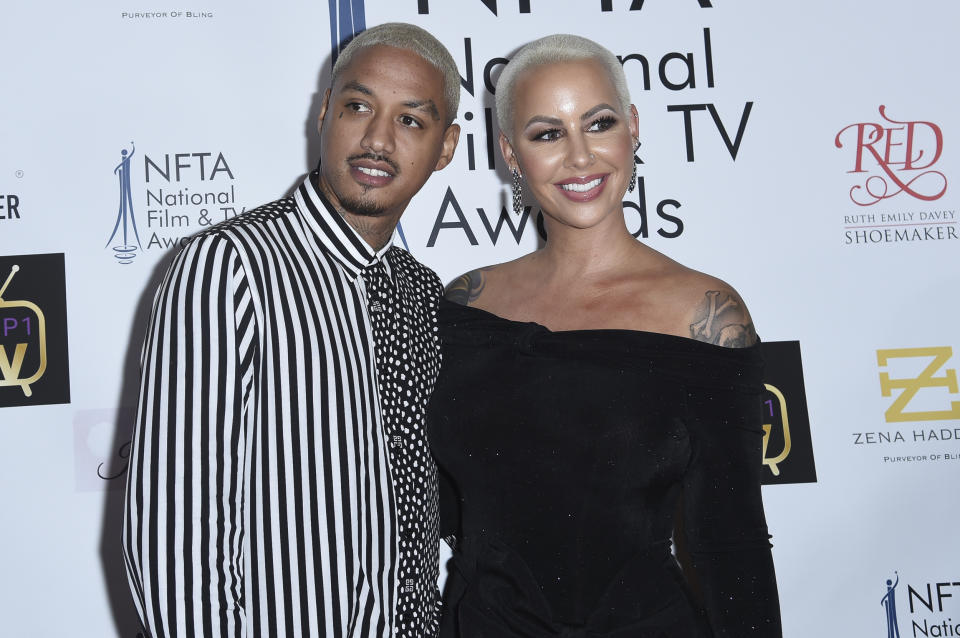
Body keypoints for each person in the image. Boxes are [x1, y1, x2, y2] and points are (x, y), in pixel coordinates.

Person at [428, 34, 782, 637]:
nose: (580, 156)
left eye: (598, 122)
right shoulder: (466, 304)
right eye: (547, 133)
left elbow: (730, 544)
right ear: (511, 154)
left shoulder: (705, 314)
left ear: (633, 126)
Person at [122, 23, 460, 637]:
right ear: (325, 111)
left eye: (412, 120)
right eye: (359, 107)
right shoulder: (229, 269)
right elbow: (176, 540)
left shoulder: (423, 294)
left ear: (445, 147)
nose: (378, 140)